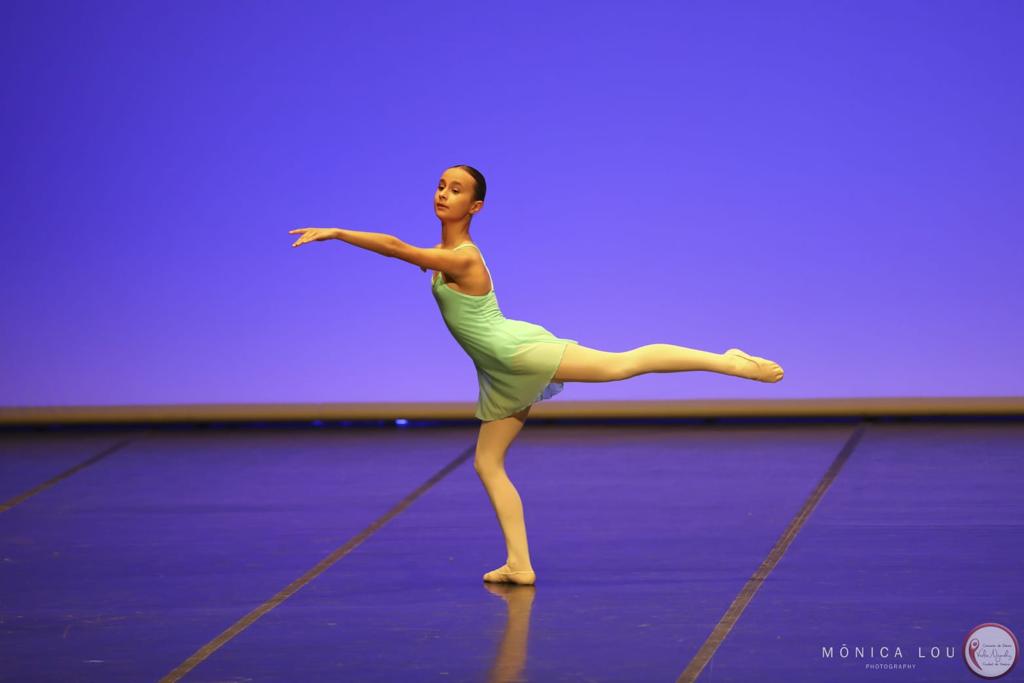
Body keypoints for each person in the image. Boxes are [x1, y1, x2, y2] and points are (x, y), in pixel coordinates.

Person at [288, 165, 784, 586]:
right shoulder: (444, 258)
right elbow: (415, 258)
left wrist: (337, 233)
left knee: (622, 363)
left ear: (476, 207)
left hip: (516, 354)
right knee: (488, 465)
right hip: (497, 370)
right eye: (441, 185)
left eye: (456, 190)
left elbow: (396, 247)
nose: (444, 193)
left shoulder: (461, 257)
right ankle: (519, 564)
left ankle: (728, 361)